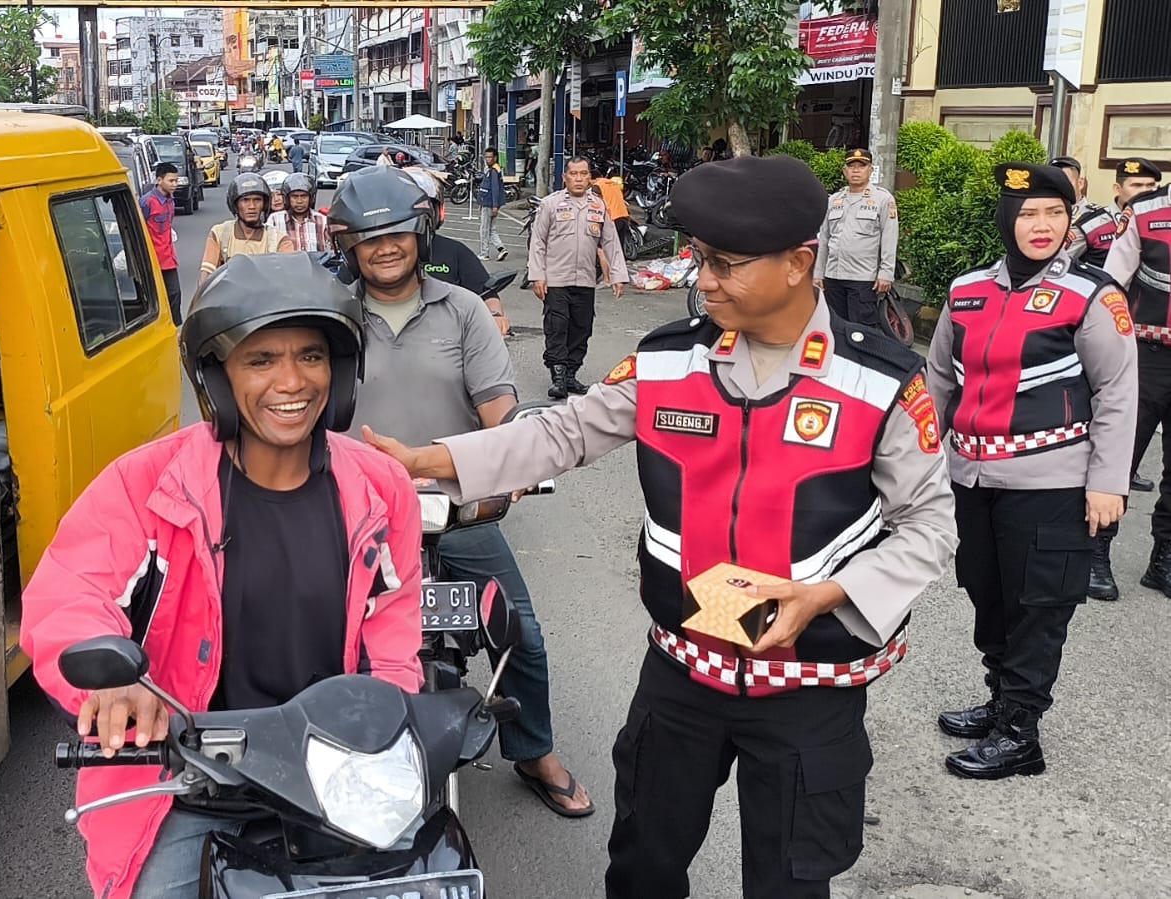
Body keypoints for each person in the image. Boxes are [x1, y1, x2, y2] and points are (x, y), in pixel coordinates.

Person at [362, 154, 956, 898]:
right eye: (700, 259)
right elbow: (561, 434)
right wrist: (430, 457)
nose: (703, 281)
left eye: (726, 264)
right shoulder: (668, 362)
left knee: (789, 880)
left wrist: (831, 593)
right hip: (680, 676)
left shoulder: (879, 381)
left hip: (810, 687)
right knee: (643, 863)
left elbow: (927, 523)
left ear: (800, 263)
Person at [20, 253, 424, 899]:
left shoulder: (381, 489)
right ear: (217, 376)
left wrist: (397, 720)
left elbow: (395, 628)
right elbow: (68, 593)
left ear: (340, 370)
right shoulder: (147, 484)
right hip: (187, 779)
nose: (291, 381)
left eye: (311, 356)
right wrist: (121, 688)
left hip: (340, 775)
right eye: (260, 359)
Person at [326, 164, 591, 817]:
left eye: (395, 233)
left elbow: (499, 405)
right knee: (326, 630)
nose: (385, 247)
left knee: (519, 632)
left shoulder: (464, 308)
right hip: (357, 513)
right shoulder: (330, 315)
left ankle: (533, 750)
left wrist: (521, 461)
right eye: (368, 238)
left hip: (459, 505)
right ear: (349, 247)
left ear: (418, 232)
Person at [927, 162, 1135, 777]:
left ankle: (1022, 732)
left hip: (1053, 482)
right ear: (1005, 220)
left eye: (1054, 212)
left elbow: (1119, 392)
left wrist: (1107, 483)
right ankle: (1000, 701)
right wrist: (919, 463)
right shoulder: (967, 290)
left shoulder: (1092, 295)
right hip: (972, 477)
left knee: (1039, 606)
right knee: (987, 595)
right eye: (1027, 213)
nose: (1042, 225)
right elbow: (938, 379)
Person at [1097, 158, 1171, 597]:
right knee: (1120, 455)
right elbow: (1110, 288)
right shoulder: (1145, 213)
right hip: (1146, 355)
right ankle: (1097, 551)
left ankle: (1163, 559)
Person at [337, 166, 514, 339]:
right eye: (371, 239)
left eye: (399, 234)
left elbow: (486, 293)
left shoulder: (456, 255)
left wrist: (495, 317)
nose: (387, 250)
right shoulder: (360, 268)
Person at [528, 156, 628, 400]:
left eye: (584, 174)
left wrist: (617, 275)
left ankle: (571, 374)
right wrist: (537, 275)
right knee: (557, 327)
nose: (579, 178)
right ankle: (558, 376)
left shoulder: (598, 206)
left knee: (581, 328)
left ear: (589, 177)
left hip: (585, 280)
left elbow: (611, 242)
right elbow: (538, 242)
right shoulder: (551, 205)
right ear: (565, 177)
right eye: (574, 174)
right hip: (556, 280)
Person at [814, 148, 899, 334]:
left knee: (862, 331)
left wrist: (886, 273)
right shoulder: (834, 200)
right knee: (835, 328)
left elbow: (889, 237)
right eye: (851, 166)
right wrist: (818, 273)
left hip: (862, 277)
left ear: (870, 170)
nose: (856, 170)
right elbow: (825, 238)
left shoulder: (882, 199)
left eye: (861, 166)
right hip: (833, 276)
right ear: (845, 171)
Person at [200, 173, 295, 283]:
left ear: (264, 204)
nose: (252, 206)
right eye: (245, 200)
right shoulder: (220, 233)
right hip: (229, 298)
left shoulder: (279, 239)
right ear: (235, 205)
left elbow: (288, 278)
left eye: (257, 200)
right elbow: (207, 273)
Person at [1051, 156, 1118, 269]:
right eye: (1052, 183)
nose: (1059, 188)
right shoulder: (1044, 214)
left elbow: (1053, 262)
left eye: (1065, 182)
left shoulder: (1096, 219)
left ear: (1080, 183)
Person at [141, 162, 183, 326]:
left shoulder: (170, 202)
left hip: (168, 258)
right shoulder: (147, 202)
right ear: (159, 180)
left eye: (176, 181)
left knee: (175, 294)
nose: (175, 184)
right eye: (171, 181)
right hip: (152, 261)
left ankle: (174, 329)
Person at [265, 172, 330, 252]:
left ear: (311, 198)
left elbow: (330, 251)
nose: (299, 201)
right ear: (287, 198)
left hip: (316, 264)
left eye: (304, 196)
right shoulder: (275, 220)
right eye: (294, 197)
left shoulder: (322, 221)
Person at [478, 148, 509, 262]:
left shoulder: (493, 171)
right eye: (486, 157)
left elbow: (495, 189)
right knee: (492, 229)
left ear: (495, 158)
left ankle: (484, 253)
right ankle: (501, 248)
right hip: (488, 203)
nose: (488, 159)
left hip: (490, 203)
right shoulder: (492, 169)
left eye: (490, 157)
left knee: (484, 230)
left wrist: (495, 205)